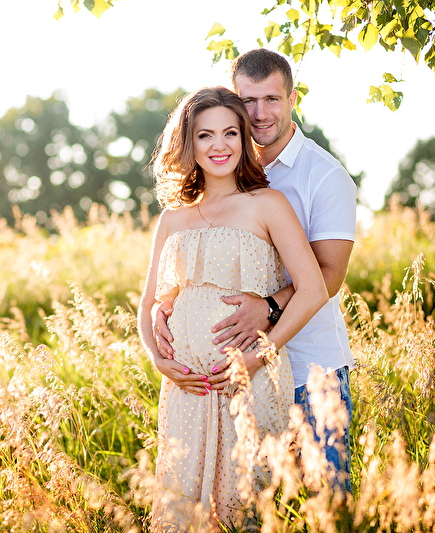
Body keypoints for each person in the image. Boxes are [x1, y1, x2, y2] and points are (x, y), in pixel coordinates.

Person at [152, 49, 357, 492]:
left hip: (309, 368)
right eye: (248, 101)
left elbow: (328, 276)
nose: (260, 113)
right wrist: (161, 312)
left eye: (273, 100)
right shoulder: (223, 172)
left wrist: (266, 310)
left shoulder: (322, 176)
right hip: (214, 388)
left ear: (292, 100)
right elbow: (178, 279)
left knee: (322, 502)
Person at [137, 86, 329, 531]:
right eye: (205, 135)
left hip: (250, 380)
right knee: (184, 510)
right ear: (188, 142)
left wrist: (258, 357)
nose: (218, 145)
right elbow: (150, 302)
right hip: (188, 390)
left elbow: (313, 289)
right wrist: (158, 359)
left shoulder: (266, 204)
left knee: (246, 504)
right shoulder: (173, 217)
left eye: (229, 133)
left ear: (244, 139)